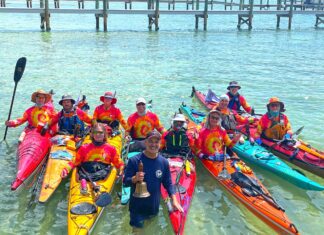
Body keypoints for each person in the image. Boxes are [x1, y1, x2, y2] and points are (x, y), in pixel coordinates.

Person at [123, 130, 183, 229]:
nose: (153, 144)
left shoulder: (163, 162)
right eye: (151, 141)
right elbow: (126, 182)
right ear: (145, 142)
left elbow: (168, 183)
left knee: (150, 228)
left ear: (160, 144)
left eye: (156, 142)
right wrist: (134, 178)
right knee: (137, 231)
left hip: (153, 207)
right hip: (137, 208)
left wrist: (175, 200)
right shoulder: (134, 160)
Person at [61, 123, 124, 193]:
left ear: (105, 134)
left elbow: (118, 162)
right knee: (83, 169)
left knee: (105, 170)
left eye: (100, 132)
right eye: (95, 132)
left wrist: (121, 170)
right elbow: (75, 161)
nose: (98, 134)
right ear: (92, 134)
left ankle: (86, 182)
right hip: (87, 170)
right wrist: (66, 169)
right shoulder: (84, 148)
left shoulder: (111, 149)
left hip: (101, 171)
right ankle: (87, 183)